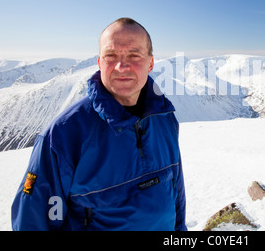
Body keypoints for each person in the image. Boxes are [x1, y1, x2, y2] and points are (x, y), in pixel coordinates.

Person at [11, 17, 187, 231]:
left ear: (150, 63)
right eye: (111, 56)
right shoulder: (65, 134)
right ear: (99, 62)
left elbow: (175, 189)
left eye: (134, 55)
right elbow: (33, 220)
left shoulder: (164, 118)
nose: (122, 66)